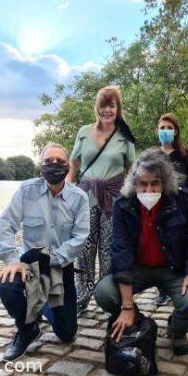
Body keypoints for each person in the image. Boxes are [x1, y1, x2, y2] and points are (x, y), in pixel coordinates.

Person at [94, 148, 188, 355]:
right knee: (105, 293)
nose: (148, 190)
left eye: (154, 183)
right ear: (134, 183)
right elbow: (120, 249)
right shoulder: (123, 205)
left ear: (164, 183)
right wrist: (128, 306)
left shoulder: (181, 199)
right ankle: (135, 320)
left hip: (173, 268)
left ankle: (177, 330)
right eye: (143, 183)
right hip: (136, 268)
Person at [0, 142, 90, 361]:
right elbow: (4, 227)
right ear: (40, 165)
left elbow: (80, 237)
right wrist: (11, 260)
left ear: (68, 166)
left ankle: (43, 302)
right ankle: (27, 329)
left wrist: (53, 260)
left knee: (66, 334)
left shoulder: (79, 197)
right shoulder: (27, 190)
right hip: (30, 263)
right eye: (48, 161)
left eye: (60, 161)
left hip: (59, 265)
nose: (54, 165)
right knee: (7, 286)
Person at [66, 86, 136, 313]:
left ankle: (106, 297)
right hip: (85, 197)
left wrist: (131, 198)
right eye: (103, 105)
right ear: (97, 108)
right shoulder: (84, 131)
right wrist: (68, 183)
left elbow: (131, 170)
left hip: (114, 199)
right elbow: (74, 162)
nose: (107, 110)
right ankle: (82, 296)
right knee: (85, 248)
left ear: (118, 108)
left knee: (108, 250)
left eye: (112, 105)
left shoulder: (125, 136)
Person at [154, 113, 188, 306]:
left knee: (179, 247)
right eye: (162, 128)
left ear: (176, 131)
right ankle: (162, 290)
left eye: (169, 128)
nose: (165, 131)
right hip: (158, 209)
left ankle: (178, 285)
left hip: (181, 209)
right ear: (157, 131)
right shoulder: (153, 155)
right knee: (160, 248)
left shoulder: (184, 154)